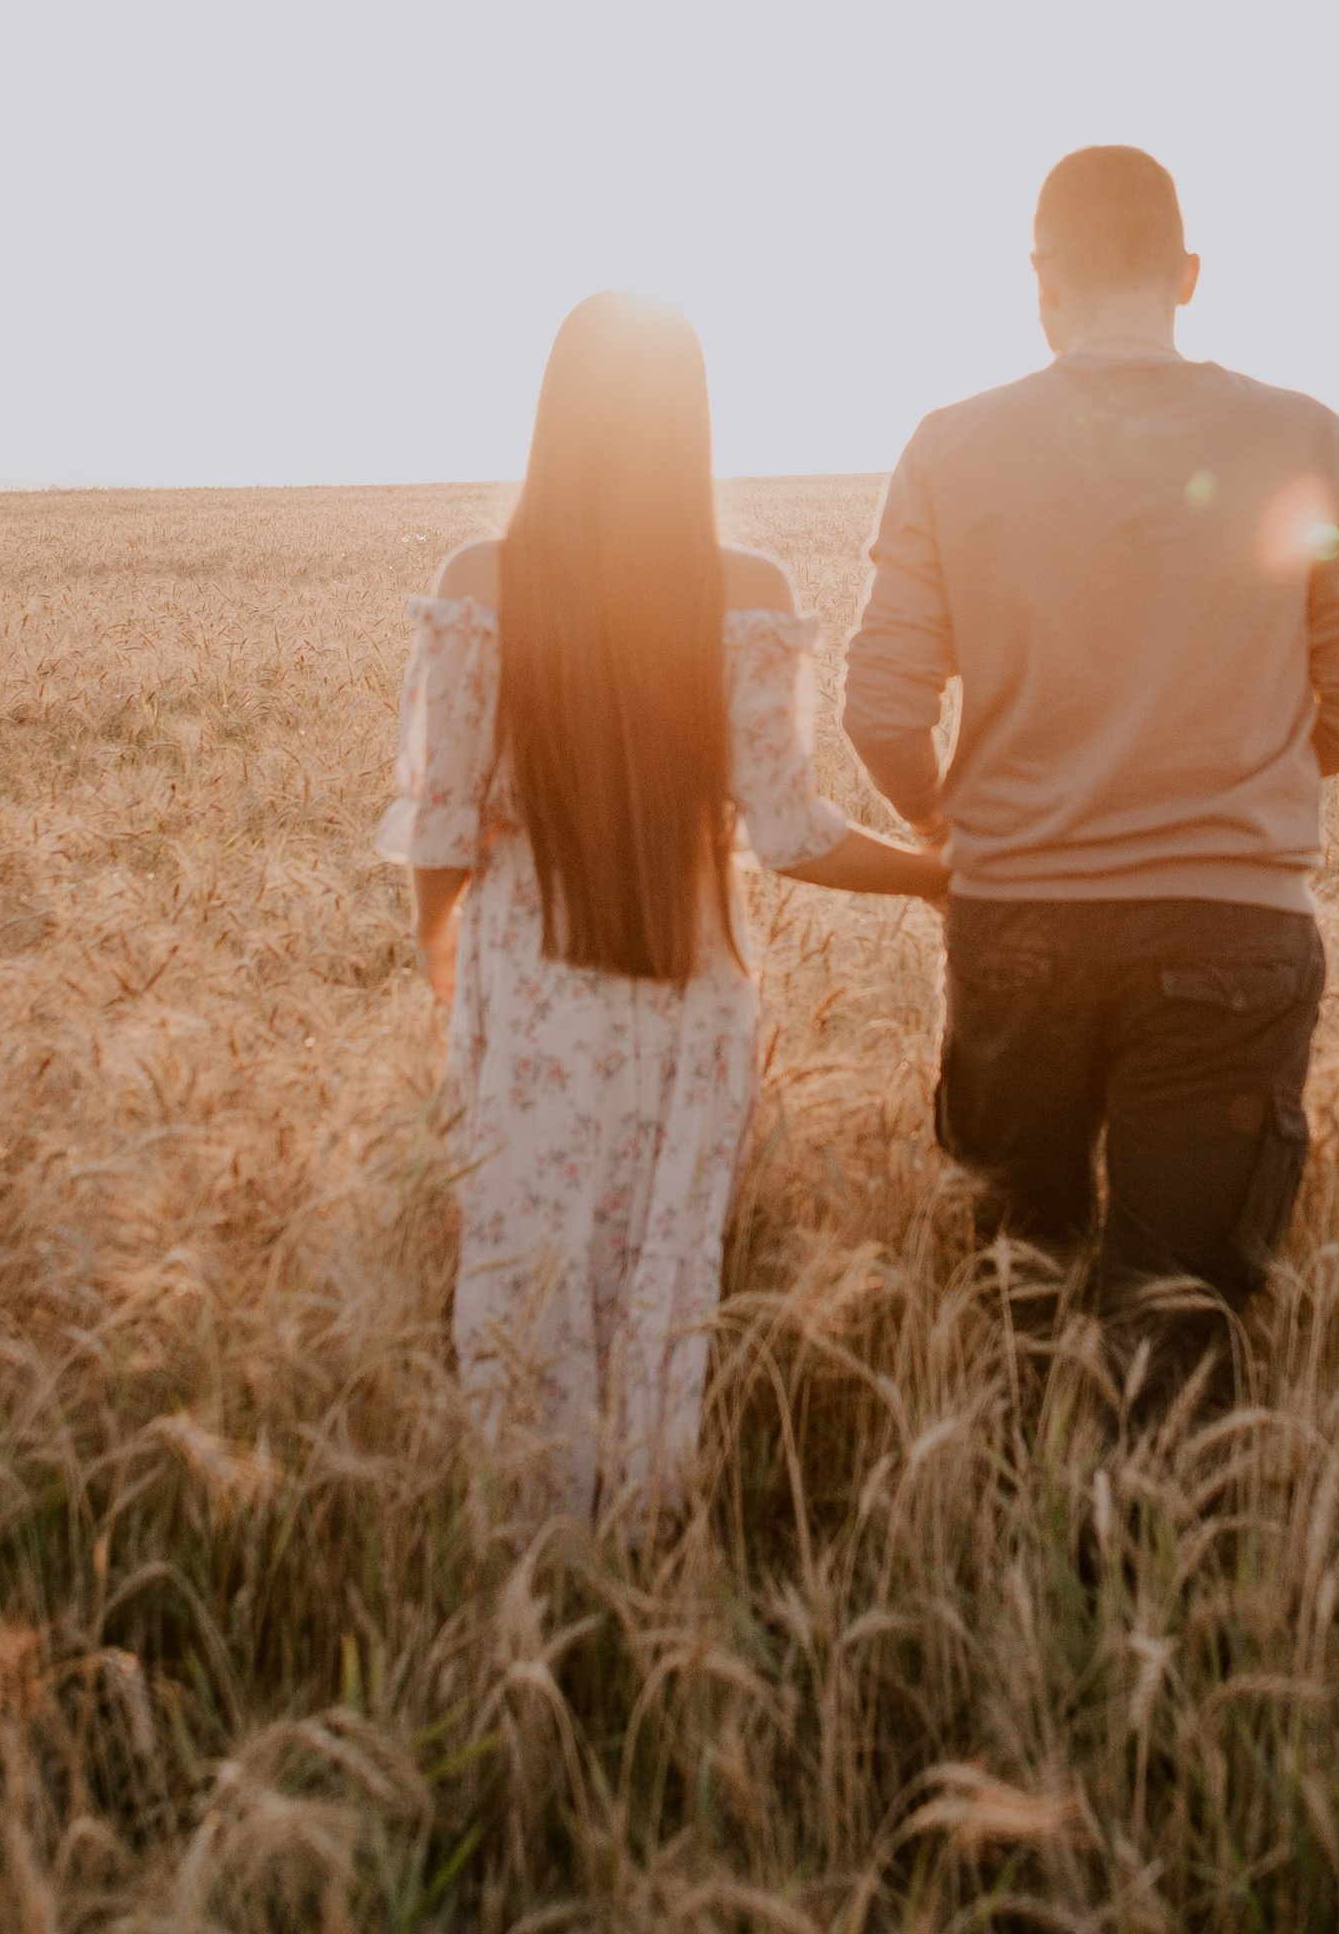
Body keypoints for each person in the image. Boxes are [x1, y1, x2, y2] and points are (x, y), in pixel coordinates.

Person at [842, 146, 1339, 1402]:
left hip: (1014, 928)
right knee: (1176, 1325)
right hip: (1233, 932)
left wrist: (956, 823)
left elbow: (878, 705)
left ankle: (1015, 1564)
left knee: (1017, 1306)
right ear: (1188, 274)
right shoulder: (1309, 436)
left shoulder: (948, 444)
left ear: (1039, 282)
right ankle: (1144, 1584)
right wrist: (1230, 766)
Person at [377, 292, 946, 1530]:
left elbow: (434, 825)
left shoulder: (481, 583)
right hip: (691, 998)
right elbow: (791, 833)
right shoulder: (745, 589)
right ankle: (643, 1545)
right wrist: (939, 874)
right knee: (661, 1280)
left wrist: (446, 971)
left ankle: (529, 1563)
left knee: (526, 1279)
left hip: (530, 989)